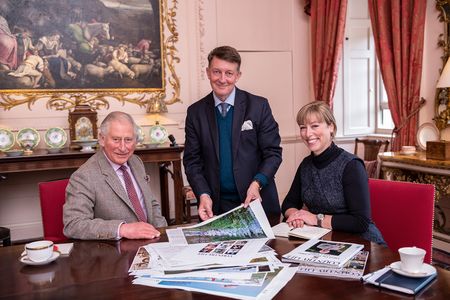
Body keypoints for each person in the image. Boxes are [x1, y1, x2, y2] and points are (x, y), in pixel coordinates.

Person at [183, 45, 282, 221]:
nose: (222, 79)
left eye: (229, 73)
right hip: (216, 208)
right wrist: (203, 194)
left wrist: (257, 183)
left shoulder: (259, 106)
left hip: (256, 202)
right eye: (216, 72)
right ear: (207, 73)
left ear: (237, 76)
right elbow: (192, 162)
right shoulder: (195, 113)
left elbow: (273, 153)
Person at [281, 101, 385, 244]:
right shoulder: (305, 165)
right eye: (303, 127)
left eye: (315, 126)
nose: (307, 133)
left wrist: (315, 218)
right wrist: (296, 215)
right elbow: (288, 203)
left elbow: (360, 222)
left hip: (363, 243)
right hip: (324, 240)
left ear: (331, 127)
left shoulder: (351, 166)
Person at [63, 111, 167, 240]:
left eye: (128, 140)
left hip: (152, 242)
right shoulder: (84, 176)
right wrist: (122, 229)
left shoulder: (136, 161)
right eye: (116, 140)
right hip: (116, 251)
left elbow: (151, 203)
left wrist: (163, 234)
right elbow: (73, 225)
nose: (123, 148)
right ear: (102, 139)